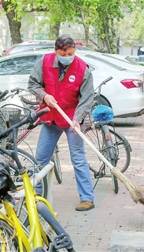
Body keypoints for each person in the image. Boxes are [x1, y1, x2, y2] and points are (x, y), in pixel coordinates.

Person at [28, 35, 95, 211]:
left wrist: (77, 119)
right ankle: (36, 197)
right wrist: (44, 96)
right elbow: (33, 84)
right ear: (56, 52)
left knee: (78, 158)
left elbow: (87, 98)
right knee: (40, 159)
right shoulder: (44, 62)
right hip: (51, 117)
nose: (67, 56)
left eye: (71, 53)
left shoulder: (82, 69)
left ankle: (87, 198)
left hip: (72, 118)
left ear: (75, 50)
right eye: (63, 54)